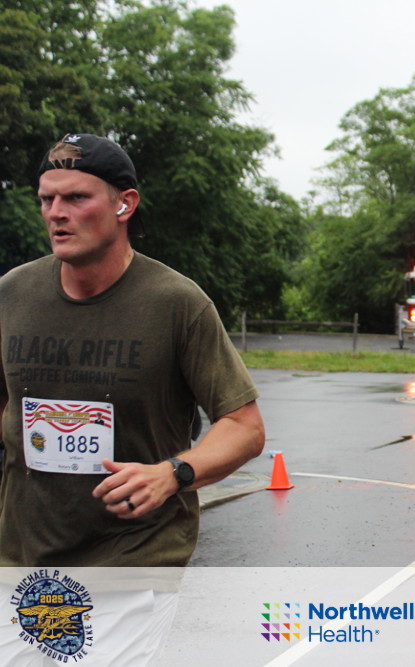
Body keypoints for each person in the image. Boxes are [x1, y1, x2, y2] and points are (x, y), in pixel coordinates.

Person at [0, 133, 266, 567]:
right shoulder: (11, 294)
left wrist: (172, 474)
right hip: (21, 559)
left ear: (124, 204)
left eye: (76, 198)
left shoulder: (177, 302)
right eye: (47, 199)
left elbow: (245, 428)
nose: (57, 213)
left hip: (137, 558)